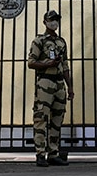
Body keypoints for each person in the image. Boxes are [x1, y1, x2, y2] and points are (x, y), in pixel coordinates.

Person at [27, 9, 74, 166]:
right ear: (45, 21)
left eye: (56, 19)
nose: (54, 22)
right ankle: (40, 154)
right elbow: (31, 62)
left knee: (57, 119)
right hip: (45, 81)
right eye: (51, 19)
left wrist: (70, 86)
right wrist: (47, 63)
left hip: (59, 83)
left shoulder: (61, 42)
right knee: (41, 117)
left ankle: (53, 153)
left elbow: (66, 65)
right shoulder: (39, 41)